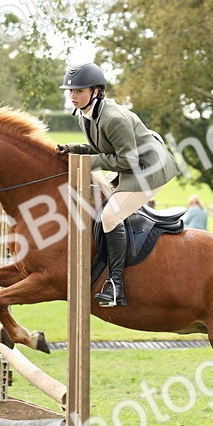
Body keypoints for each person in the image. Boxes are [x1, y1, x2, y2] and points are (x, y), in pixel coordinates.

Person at [55, 62, 179, 308]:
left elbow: (127, 160)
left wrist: (88, 162)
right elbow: (104, 148)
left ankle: (115, 285)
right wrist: (75, 149)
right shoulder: (86, 115)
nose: (73, 96)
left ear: (96, 91)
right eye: (70, 91)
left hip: (148, 169)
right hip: (134, 164)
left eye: (79, 91)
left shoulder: (113, 118)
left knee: (110, 216)